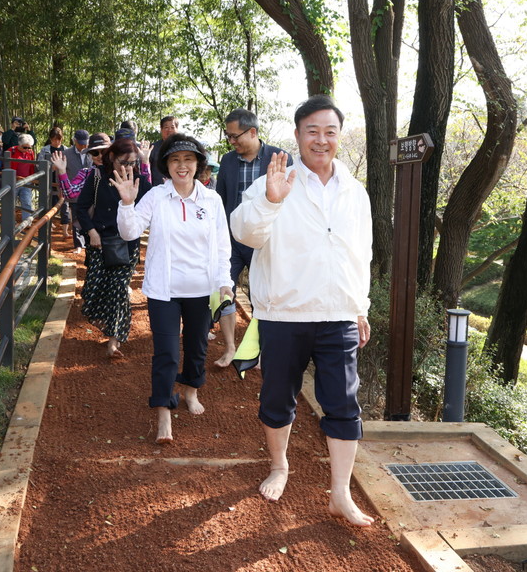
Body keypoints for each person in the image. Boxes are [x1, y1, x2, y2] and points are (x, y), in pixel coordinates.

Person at [230, 95, 375, 527]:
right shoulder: (275, 181)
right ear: (296, 136)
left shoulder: (355, 192)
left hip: (337, 316)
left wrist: (360, 308)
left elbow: (359, 254)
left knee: (344, 406)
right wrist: (271, 201)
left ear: (339, 137)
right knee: (278, 400)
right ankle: (280, 466)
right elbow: (244, 232)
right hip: (283, 315)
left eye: (330, 132)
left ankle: (340, 494)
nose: (321, 140)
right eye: (312, 131)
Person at [114, 134, 232, 444]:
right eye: (175, 160)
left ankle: (190, 391)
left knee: (197, 348)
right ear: (167, 165)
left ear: (198, 165)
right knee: (165, 352)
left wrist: (225, 282)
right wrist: (127, 203)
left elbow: (222, 245)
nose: (182, 166)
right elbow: (130, 232)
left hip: (202, 289)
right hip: (164, 291)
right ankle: (164, 410)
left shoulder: (212, 200)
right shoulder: (156, 196)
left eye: (188, 160)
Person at [213, 108, 289, 367]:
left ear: (253, 132)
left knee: (263, 296)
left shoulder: (280, 158)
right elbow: (221, 201)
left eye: (235, 136)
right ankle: (230, 348)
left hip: (264, 241)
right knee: (223, 290)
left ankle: (257, 351)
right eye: (229, 137)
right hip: (232, 240)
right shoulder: (227, 161)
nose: (232, 142)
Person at [75, 134, 151, 358]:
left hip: (126, 245)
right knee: (94, 290)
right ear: (112, 158)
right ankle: (108, 323)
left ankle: (114, 341)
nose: (128, 167)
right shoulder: (97, 176)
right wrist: (91, 232)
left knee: (118, 288)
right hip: (100, 241)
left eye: (132, 162)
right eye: (123, 162)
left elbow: (154, 201)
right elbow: (81, 207)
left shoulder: (140, 181)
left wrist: (145, 165)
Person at [50, 132, 111, 203]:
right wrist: (62, 170)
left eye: (104, 152)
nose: (100, 156)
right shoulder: (87, 173)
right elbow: (69, 193)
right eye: (95, 153)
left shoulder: (119, 171)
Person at [37, 127, 70, 235]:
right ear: (51, 139)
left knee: (65, 206)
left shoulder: (66, 150)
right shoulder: (45, 150)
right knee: (49, 204)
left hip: (63, 182)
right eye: (55, 139)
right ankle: (48, 225)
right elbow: (39, 165)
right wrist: (52, 167)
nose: (57, 142)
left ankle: (65, 230)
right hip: (49, 182)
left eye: (59, 139)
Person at [63, 129, 92, 251]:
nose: (83, 146)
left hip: (90, 191)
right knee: (76, 218)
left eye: (85, 143)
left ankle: (89, 242)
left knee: (90, 217)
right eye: (80, 143)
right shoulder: (66, 154)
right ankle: (79, 245)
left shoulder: (93, 153)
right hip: (74, 192)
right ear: (75, 141)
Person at [8, 133, 36, 220]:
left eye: (29, 147)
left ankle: (27, 221)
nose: (27, 149)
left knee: (27, 202)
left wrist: (32, 179)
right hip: (14, 181)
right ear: (19, 144)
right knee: (11, 202)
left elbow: (32, 167)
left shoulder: (30, 153)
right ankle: (10, 221)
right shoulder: (11, 151)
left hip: (27, 181)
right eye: (25, 147)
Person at [148, 115, 179, 183]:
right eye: (166, 127)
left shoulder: (182, 147)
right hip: (157, 188)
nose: (169, 130)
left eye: (172, 127)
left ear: (177, 129)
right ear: (161, 130)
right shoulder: (152, 148)